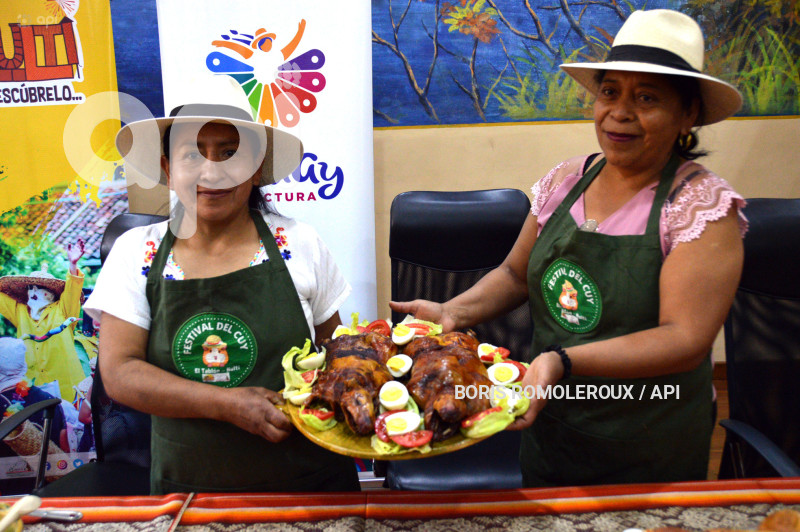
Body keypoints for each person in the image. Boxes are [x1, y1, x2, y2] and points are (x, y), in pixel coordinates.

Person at [391, 9, 747, 487]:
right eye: (609, 91)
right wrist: (452, 312)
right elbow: (517, 275)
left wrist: (562, 361)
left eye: (646, 97)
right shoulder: (566, 181)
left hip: (647, 438)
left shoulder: (701, 207)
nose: (620, 112)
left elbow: (683, 339)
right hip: (553, 426)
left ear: (689, 113)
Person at [84, 78, 359, 494]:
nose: (211, 170)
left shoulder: (300, 243)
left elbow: (337, 352)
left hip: (309, 484)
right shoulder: (134, 253)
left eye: (230, 153)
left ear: (255, 169)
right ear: (167, 167)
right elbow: (120, 372)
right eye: (192, 153)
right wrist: (227, 404)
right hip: (191, 490)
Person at [0, 241, 89, 402]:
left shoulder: (63, 309)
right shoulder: (20, 311)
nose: (33, 292)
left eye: (39, 288)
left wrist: (73, 263)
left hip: (67, 387)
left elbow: (73, 290)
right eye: (30, 288)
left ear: (52, 293)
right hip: (32, 390)